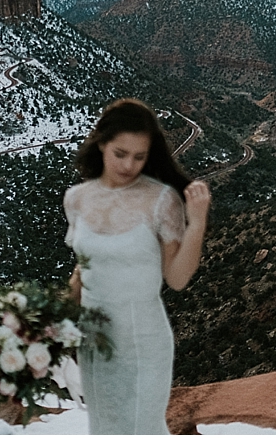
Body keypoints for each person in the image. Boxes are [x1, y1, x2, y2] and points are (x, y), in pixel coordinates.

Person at [63, 98, 210, 434]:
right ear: (101, 143)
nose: (129, 165)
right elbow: (82, 271)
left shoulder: (161, 199)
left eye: (139, 156)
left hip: (142, 338)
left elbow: (176, 278)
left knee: (142, 428)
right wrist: (46, 322)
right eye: (120, 153)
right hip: (94, 339)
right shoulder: (77, 199)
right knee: (103, 426)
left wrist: (197, 224)